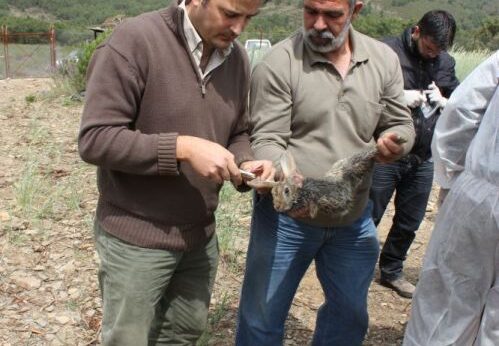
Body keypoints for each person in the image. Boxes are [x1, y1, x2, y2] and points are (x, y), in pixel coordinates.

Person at [78, 0, 273, 345]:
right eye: (230, 14)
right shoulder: (133, 42)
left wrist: (245, 162)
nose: (239, 28)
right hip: (135, 238)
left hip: (199, 236)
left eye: (249, 17)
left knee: (182, 334)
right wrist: (182, 148)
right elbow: (95, 140)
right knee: (128, 339)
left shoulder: (237, 59)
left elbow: (238, 131)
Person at [235, 0, 416, 345]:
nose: (318, 24)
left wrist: (399, 141)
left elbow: (399, 122)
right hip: (286, 220)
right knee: (262, 317)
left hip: (353, 218)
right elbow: (268, 137)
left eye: (332, 15)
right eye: (310, 11)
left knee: (349, 316)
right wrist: (286, 182)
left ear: (356, 10)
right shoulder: (279, 62)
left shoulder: (382, 59)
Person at [404, 50, 499, 345]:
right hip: (482, 185)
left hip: (481, 190)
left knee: (451, 294)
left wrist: (451, 176)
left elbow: (463, 109)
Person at [369, 10, 459, 298]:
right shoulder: (386, 52)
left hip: (423, 155)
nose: (433, 55)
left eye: (439, 51)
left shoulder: (445, 62)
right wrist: (398, 97)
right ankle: (354, 264)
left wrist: (446, 101)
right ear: (417, 32)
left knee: (410, 219)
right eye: (429, 48)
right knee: (369, 213)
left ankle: (392, 271)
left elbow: (459, 94)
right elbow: (361, 94)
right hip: (386, 152)